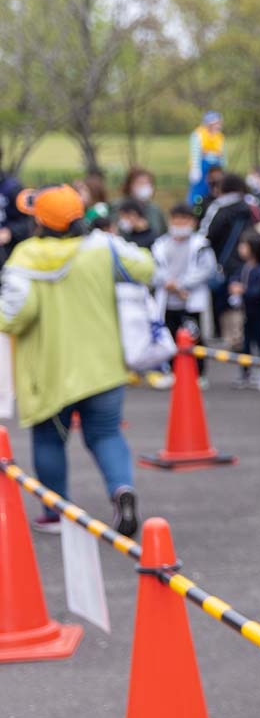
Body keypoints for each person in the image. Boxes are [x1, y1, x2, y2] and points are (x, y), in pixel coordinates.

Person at [0, 186, 153, 537]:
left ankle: (56, 514)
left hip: (48, 371)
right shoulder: (102, 247)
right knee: (106, 434)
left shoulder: (27, 257)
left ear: (39, 221)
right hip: (103, 366)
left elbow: (15, 315)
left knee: (49, 440)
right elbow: (145, 267)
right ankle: (122, 489)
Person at [200, 172, 260, 346]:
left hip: (225, 263)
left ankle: (233, 337)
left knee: (227, 301)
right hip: (252, 262)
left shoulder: (219, 207)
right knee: (250, 299)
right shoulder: (252, 205)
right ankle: (248, 338)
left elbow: (206, 236)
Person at [152, 204, 216, 375]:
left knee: (194, 337)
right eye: (176, 220)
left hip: (190, 301)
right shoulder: (160, 244)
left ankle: (198, 373)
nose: (179, 224)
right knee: (169, 337)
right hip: (167, 301)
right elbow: (154, 269)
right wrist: (169, 283)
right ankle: (173, 372)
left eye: (184, 220)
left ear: (192, 222)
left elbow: (207, 269)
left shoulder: (200, 244)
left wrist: (181, 284)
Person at [227, 230, 260, 390]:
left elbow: (259, 291)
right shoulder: (244, 267)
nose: (240, 248)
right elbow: (234, 278)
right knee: (246, 343)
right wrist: (234, 286)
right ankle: (245, 373)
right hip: (246, 311)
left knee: (259, 341)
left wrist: (243, 290)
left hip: (259, 312)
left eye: (244, 245)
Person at [187, 110, 226, 207]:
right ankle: (196, 207)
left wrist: (223, 166)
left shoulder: (219, 136)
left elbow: (222, 153)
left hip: (216, 167)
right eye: (216, 123)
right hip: (202, 167)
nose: (218, 126)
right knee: (199, 191)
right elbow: (195, 153)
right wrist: (195, 168)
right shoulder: (198, 134)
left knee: (214, 189)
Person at [124, 168, 169, 239]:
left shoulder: (155, 209)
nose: (144, 186)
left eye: (147, 183)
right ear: (130, 185)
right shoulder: (119, 206)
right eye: (140, 183)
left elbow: (163, 234)